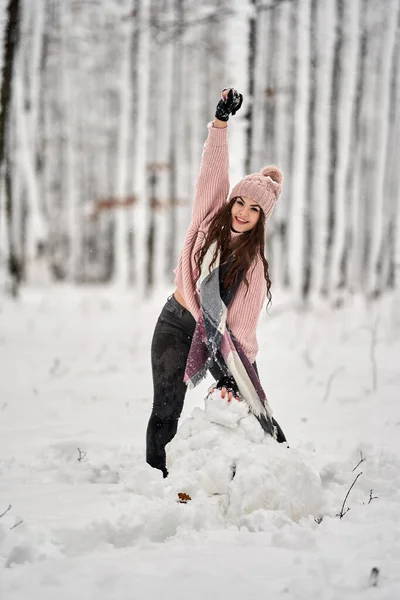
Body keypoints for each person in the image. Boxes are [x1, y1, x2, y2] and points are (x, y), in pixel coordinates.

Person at [146, 88, 286, 478]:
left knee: (246, 402)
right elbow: (213, 171)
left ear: (262, 219)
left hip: (220, 335)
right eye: (240, 201)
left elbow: (242, 326)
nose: (243, 212)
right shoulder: (208, 221)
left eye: (255, 209)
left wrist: (233, 375)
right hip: (177, 322)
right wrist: (220, 122)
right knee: (166, 408)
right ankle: (159, 478)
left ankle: (265, 474)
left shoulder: (253, 264)